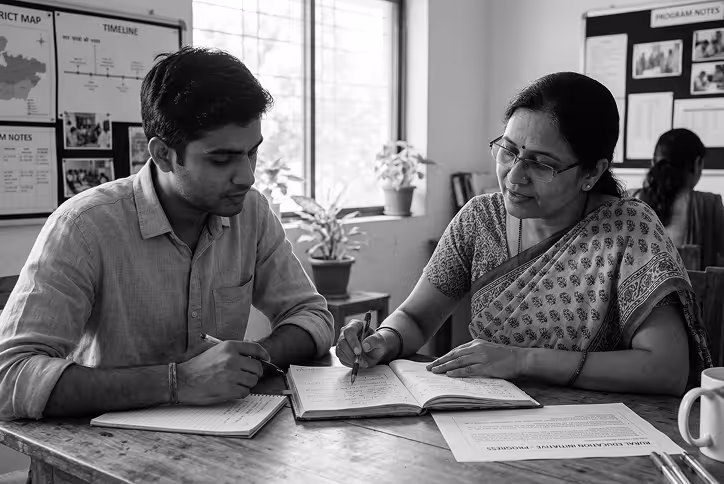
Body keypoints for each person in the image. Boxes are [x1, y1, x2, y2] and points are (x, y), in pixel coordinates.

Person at [0, 46, 334, 420]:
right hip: (99, 461)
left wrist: (248, 362)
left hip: (221, 451)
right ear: (162, 154)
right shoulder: (83, 227)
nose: (247, 176)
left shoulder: (250, 211)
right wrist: (178, 382)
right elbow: (9, 378)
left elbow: (311, 316)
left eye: (252, 153)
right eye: (221, 160)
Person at [337, 72, 711, 396]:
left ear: (592, 172)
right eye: (508, 151)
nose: (515, 176)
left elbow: (666, 369)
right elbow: (417, 319)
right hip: (481, 417)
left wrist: (522, 360)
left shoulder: (630, 230)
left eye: (541, 164)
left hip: (593, 431)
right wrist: (381, 340)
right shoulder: (480, 219)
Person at [633, 129, 724, 269]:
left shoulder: (631, 201)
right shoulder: (710, 205)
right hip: (691, 290)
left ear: (653, 163)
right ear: (697, 163)